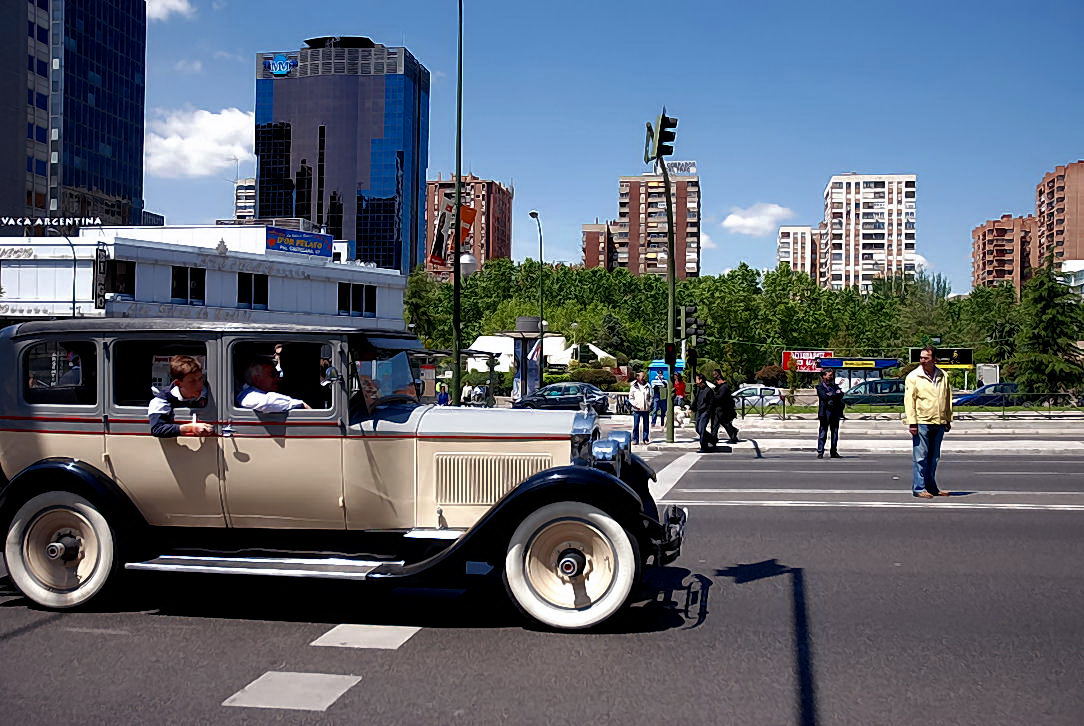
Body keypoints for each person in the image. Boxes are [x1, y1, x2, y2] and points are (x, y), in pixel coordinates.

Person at [905, 345, 953, 499]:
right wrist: (912, 422)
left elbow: (947, 399)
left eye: (926, 358)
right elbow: (909, 401)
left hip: (939, 421)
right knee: (921, 457)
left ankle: (932, 487)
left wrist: (947, 418)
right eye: (921, 358)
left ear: (935, 359)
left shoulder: (943, 375)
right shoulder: (914, 376)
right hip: (922, 422)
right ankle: (919, 488)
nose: (922, 361)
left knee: (934, 457)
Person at [148, 355, 215, 438]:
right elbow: (157, 429)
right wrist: (189, 428)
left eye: (200, 378)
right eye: (192, 381)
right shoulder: (162, 399)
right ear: (178, 383)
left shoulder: (212, 389)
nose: (199, 384)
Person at [237, 359, 311, 412]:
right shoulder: (247, 395)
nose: (277, 379)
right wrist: (300, 404)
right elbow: (267, 402)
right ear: (256, 379)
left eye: (277, 375)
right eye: (272, 375)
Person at [815, 368, 845, 458]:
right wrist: (834, 394)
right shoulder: (820, 387)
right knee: (823, 432)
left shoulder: (835, 386)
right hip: (824, 413)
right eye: (829, 375)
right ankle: (820, 452)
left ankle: (833, 452)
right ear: (824, 376)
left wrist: (832, 394)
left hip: (835, 412)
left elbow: (841, 394)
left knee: (834, 433)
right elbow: (824, 396)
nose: (831, 377)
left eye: (832, 375)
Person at [710, 369, 740, 444]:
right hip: (718, 408)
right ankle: (714, 438)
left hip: (722, 408)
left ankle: (732, 434)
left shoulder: (724, 387)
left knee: (722, 423)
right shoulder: (719, 386)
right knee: (719, 423)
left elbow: (720, 397)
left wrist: (712, 397)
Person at [691, 373, 716, 452]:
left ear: (700, 380)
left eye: (697, 379)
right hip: (699, 411)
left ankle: (703, 446)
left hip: (705, 412)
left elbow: (711, 403)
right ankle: (712, 439)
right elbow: (696, 400)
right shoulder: (699, 389)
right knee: (698, 429)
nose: (695, 381)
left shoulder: (708, 391)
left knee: (702, 429)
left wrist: (708, 411)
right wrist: (692, 408)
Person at [628, 371, 653, 445]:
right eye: (641, 376)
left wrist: (649, 404)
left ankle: (645, 439)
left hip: (645, 409)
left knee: (646, 425)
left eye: (643, 376)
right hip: (637, 409)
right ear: (638, 377)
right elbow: (631, 397)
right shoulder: (634, 386)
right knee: (636, 425)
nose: (643, 378)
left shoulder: (648, 385)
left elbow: (651, 396)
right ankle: (635, 439)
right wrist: (635, 404)